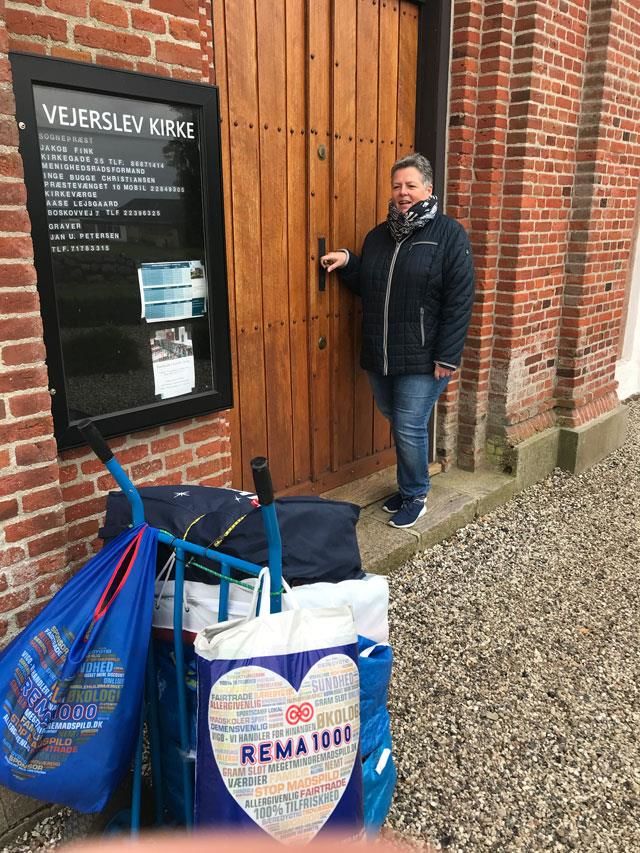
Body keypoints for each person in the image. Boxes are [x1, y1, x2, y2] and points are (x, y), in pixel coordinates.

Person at [321, 153, 474, 529]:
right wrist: (349, 261)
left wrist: (447, 356)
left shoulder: (448, 234)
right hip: (382, 353)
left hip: (424, 355)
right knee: (397, 418)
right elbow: (369, 285)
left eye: (411, 185)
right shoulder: (378, 236)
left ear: (428, 188)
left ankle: (416, 494)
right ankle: (408, 487)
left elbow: (459, 299)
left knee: (408, 424)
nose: (403, 192)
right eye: (397, 186)